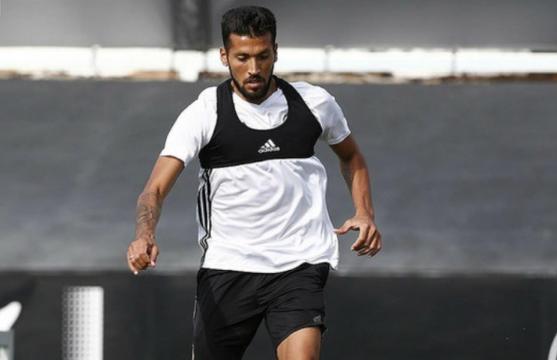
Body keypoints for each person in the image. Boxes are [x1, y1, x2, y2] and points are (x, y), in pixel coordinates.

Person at [126, 5, 381, 359]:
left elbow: (352, 157)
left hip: (299, 265)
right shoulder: (204, 113)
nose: (254, 69)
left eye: (263, 56)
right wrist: (144, 235)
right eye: (242, 57)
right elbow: (153, 190)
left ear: (276, 52)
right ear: (224, 56)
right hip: (228, 267)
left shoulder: (315, 103)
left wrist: (364, 212)